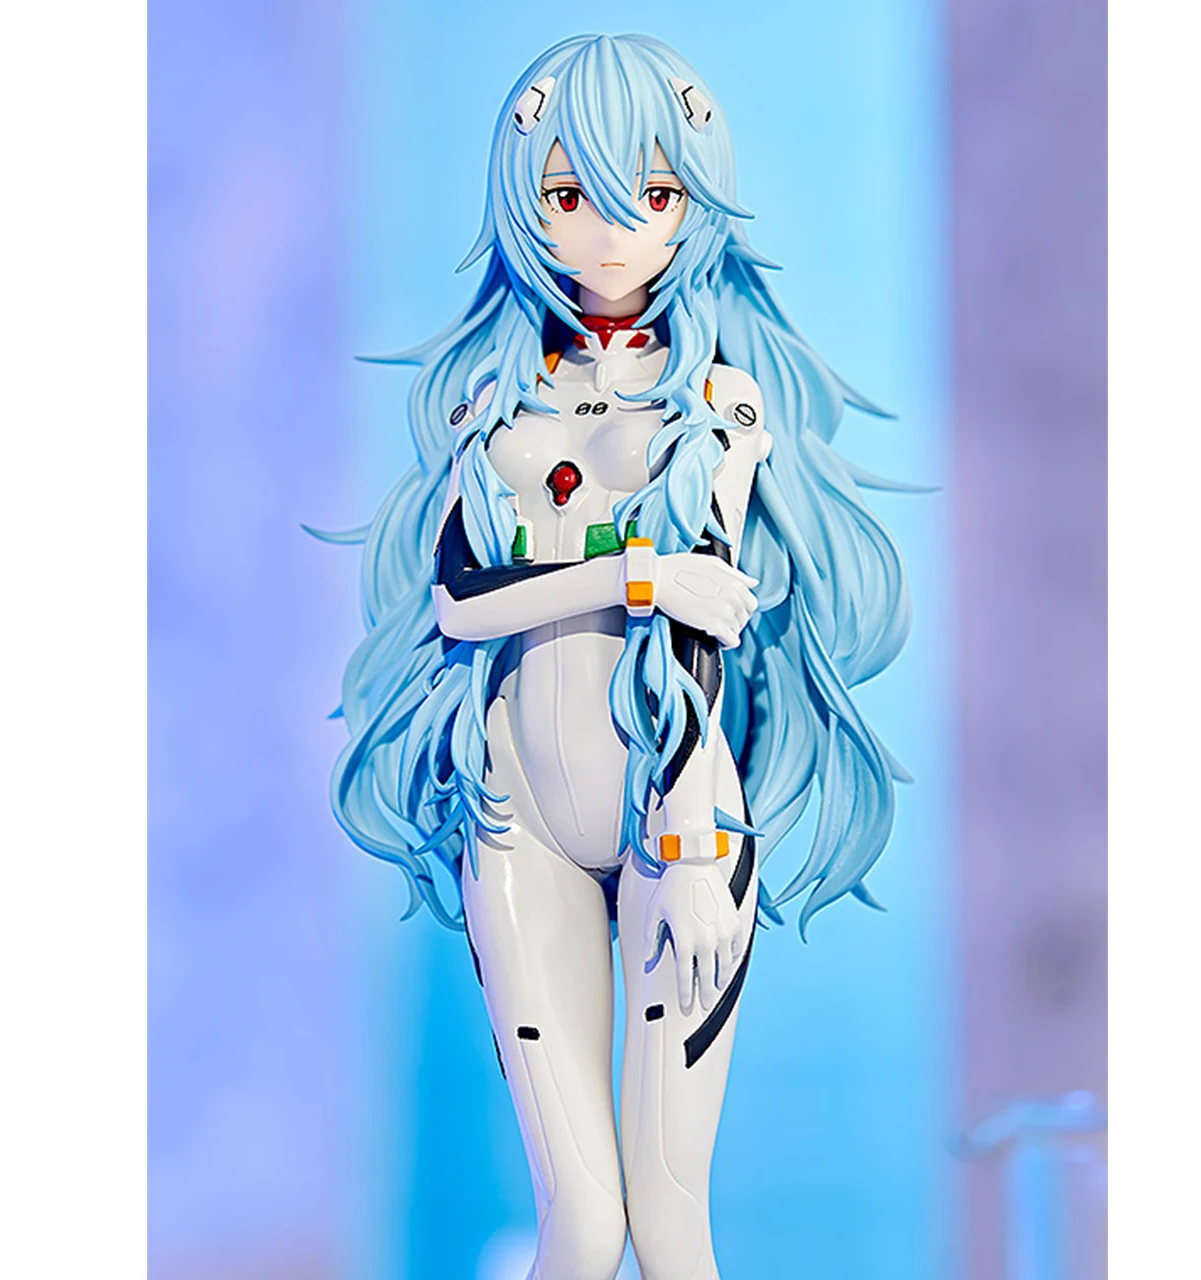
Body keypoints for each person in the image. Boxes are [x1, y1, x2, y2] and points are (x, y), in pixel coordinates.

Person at [324, 33, 912, 1280]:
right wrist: (632, 575)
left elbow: (705, 625)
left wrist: (694, 840)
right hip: (513, 814)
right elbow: (460, 603)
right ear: (523, 198)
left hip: (675, 810)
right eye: (568, 194)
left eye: (651, 193)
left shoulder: (719, 401)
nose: (610, 233)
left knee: (671, 1219)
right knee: (582, 1226)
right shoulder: (486, 397)